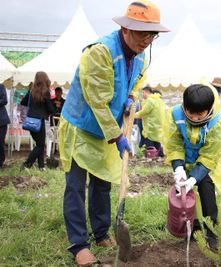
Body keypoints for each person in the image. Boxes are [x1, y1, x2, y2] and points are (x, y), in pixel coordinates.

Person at [58, 1, 169, 266]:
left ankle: (100, 232)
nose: (148, 39)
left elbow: (138, 80)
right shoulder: (101, 52)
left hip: (107, 128)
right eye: (143, 32)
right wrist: (117, 136)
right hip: (81, 125)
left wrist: (132, 99)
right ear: (125, 28)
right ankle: (78, 244)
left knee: (102, 182)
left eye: (152, 34)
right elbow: (96, 100)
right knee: (75, 186)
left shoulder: (142, 54)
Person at [165, 84, 221, 249]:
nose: (194, 118)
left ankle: (212, 231)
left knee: (206, 190)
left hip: (207, 164)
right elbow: (174, 143)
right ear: (184, 107)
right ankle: (192, 229)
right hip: (185, 161)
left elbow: (209, 155)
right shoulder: (176, 115)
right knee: (185, 196)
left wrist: (195, 177)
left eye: (199, 114)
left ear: (209, 109)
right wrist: (178, 167)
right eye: (190, 113)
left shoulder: (217, 124)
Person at [20, 72, 55, 171]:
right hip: (39, 122)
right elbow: (51, 109)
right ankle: (27, 164)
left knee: (39, 144)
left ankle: (41, 166)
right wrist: (52, 108)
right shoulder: (46, 92)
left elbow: (23, 102)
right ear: (45, 79)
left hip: (30, 121)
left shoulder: (31, 91)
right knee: (40, 145)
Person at [134, 87, 168, 157]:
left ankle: (151, 160)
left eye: (143, 92)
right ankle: (160, 158)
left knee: (150, 147)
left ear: (148, 92)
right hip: (158, 128)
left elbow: (144, 112)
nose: (142, 94)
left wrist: (133, 115)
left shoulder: (150, 100)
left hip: (151, 128)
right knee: (157, 144)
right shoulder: (159, 100)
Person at [0, 83, 10, 168]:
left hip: (1, 120)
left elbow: (4, 100)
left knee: (0, 141)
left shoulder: (1, 86)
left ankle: (1, 162)